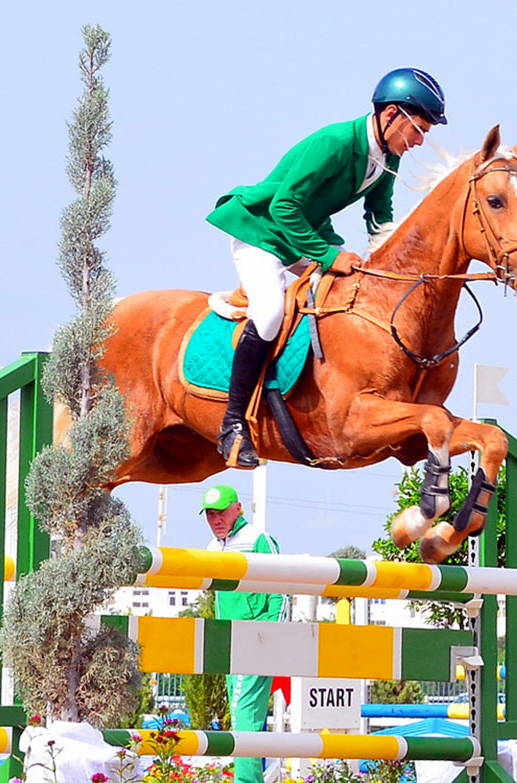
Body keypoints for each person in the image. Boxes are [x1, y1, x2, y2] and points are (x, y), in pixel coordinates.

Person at [206, 68, 447, 469]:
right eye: (417, 129)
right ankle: (233, 424)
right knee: (269, 314)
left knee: (351, 292)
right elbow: (284, 206)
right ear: (391, 115)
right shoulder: (335, 142)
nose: (420, 141)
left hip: (305, 234)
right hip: (262, 232)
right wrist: (330, 256)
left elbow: (379, 211)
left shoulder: (387, 155)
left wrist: (382, 260)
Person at [200, 484, 286, 783]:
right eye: (210, 514)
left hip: (257, 639)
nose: (216, 520)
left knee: (243, 711)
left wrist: (270, 634)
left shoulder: (258, 539)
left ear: (238, 508)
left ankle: (246, 781)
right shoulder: (213, 548)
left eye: (221, 512)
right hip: (230, 642)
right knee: (246, 715)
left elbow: (282, 592)